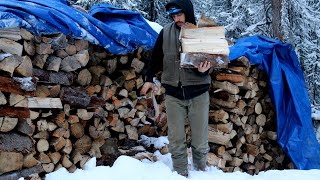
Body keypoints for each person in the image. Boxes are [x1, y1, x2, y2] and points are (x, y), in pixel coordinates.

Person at [140, 0, 211, 177]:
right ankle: (180, 173)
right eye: (173, 16)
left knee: (200, 139)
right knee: (176, 138)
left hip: (198, 92)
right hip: (173, 93)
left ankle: (202, 172)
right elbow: (155, 58)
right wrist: (149, 79)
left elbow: (214, 60)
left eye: (179, 14)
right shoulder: (166, 32)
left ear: (188, 12)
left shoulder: (202, 32)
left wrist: (205, 70)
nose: (176, 18)